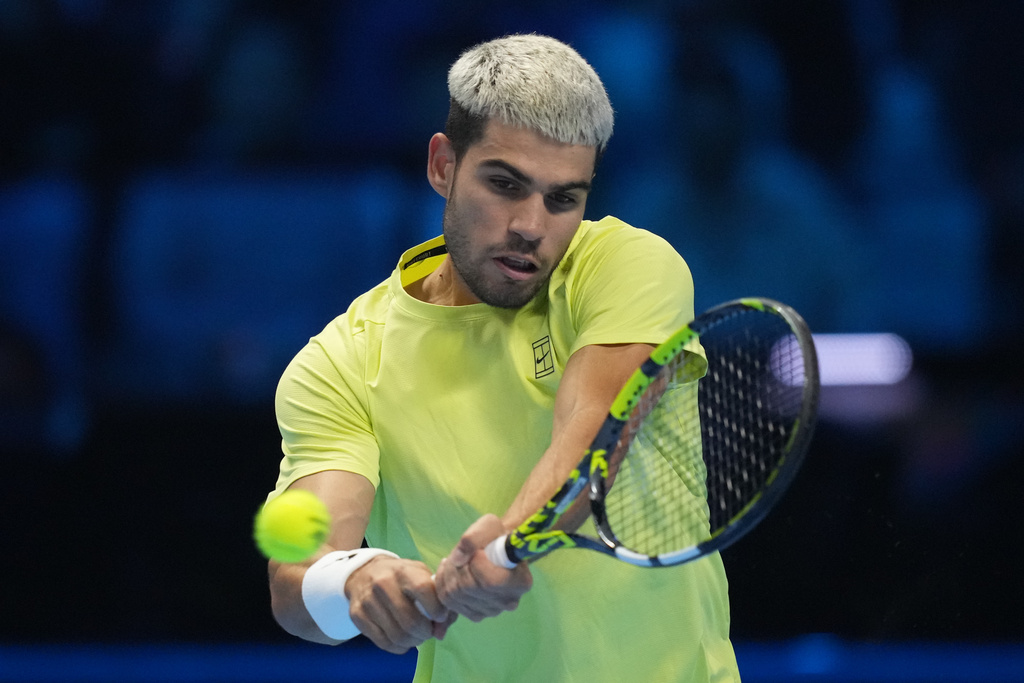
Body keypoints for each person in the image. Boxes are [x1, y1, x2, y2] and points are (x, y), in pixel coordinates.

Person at [265, 34, 740, 682]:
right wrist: (357, 579)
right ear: (442, 165)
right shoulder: (340, 363)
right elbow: (295, 585)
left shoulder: (628, 266)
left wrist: (504, 544)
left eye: (563, 198)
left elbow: (593, 432)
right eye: (505, 183)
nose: (531, 225)